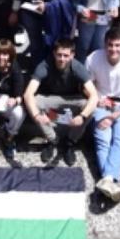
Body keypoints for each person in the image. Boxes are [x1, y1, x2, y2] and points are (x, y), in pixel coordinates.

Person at [85, 28, 120, 203]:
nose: (113, 49)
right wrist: (96, 100)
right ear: (105, 44)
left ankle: (106, 181)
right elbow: (87, 87)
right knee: (103, 138)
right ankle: (110, 180)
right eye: (110, 45)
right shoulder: (93, 58)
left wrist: (114, 115)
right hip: (100, 102)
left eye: (118, 45)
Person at [23, 38, 98, 166]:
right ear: (54, 53)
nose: (62, 59)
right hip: (51, 98)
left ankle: (70, 142)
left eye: (66, 55)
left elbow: (94, 95)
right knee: (33, 102)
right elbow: (28, 93)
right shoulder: (44, 65)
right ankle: (52, 139)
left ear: (72, 55)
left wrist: (82, 115)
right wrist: (36, 115)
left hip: (72, 99)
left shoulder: (77, 67)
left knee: (90, 107)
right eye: (59, 55)